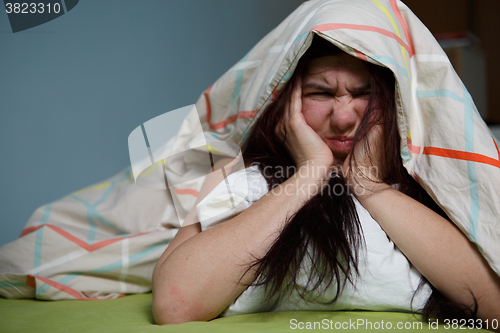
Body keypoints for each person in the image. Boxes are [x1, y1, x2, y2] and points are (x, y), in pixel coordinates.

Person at [151, 35, 500, 326]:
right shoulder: (236, 173)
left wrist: (366, 183)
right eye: (320, 93)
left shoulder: (428, 181)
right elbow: (176, 306)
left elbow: (493, 306)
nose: (344, 117)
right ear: (286, 102)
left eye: (364, 94)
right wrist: (311, 171)